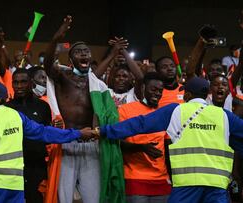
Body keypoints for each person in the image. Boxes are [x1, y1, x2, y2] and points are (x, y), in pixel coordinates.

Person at [99, 77, 243, 203]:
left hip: (186, 185)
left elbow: (140, 124)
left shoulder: (176, 110)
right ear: (207, 95)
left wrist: (104, 131)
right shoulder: (224, 116)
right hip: (216, 186)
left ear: (187, 94)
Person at [43, 15, 126, 203]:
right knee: (63, 198)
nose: (84, 54)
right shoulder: (63, 76)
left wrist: (113, 53)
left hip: (91, 146)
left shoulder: (96, 83)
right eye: (78, 51)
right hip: (68, 143)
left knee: (93, 198)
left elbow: (97, 74)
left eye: (86, 51)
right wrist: (56, 38)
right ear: (70, 58)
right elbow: (48, 65)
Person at [119, 72, 171, 203]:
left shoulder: (164, 114)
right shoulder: (125, 110)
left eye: (160, 91)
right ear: (143, 88)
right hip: (135, 178)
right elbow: (118, 143)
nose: (157, 94)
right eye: (153, 89)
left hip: (161, 180)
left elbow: (168, 147)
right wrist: (140, 148)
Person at [6, 69, 52, 203]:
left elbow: (47, 133)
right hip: (13, 165)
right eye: (16, 82)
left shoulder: (43, 107)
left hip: (37, 165)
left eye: (23, 82)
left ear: (31, 83)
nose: (19, 86)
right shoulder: (6, 108)